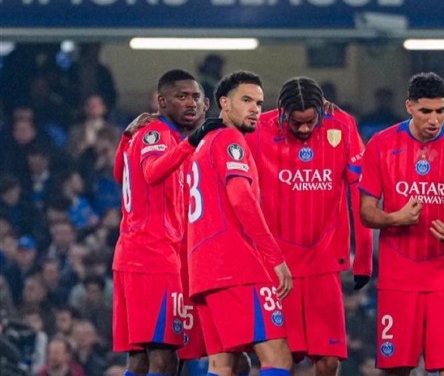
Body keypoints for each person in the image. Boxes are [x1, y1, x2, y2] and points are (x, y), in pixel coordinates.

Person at [359, 72, 444, 376]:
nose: (434, 120)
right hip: (398, 275)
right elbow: (366, 212)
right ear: (409, 106)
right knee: (396, 368)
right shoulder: (381, 145)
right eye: (425, 111)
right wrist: (395, 218)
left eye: (440, 111)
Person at [244, 76, 374, 376]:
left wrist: (364, 258)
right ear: (282, 112)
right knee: (278, 358)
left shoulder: (342, 126)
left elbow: (362, 191)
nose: (303, 129)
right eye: (296, 122)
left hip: (323, 264)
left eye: (310, 122)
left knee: (329, 360)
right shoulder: (258, 130)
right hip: (276, 268)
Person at [187, 70, 293, 376]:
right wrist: (275, 258)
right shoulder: (229, 140)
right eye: (246, 100)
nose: (255, 109)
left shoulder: (203, 144)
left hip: (205, 270)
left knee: (222, 365)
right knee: (278, 358)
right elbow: (241, 199)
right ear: (224, 103)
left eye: (259, 103)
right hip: (236, 266)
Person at [111, 69, 209, 376]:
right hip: (152, 257)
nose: (191, 103)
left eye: (195, 97)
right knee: (163, 357)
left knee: (140, 359)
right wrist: (192, 142)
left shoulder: (148, 135)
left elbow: (120, 174)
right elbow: (153, 172)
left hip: (134, 256)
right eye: (182, 97)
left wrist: (125, 138)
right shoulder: (158, 135)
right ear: (162, 101)